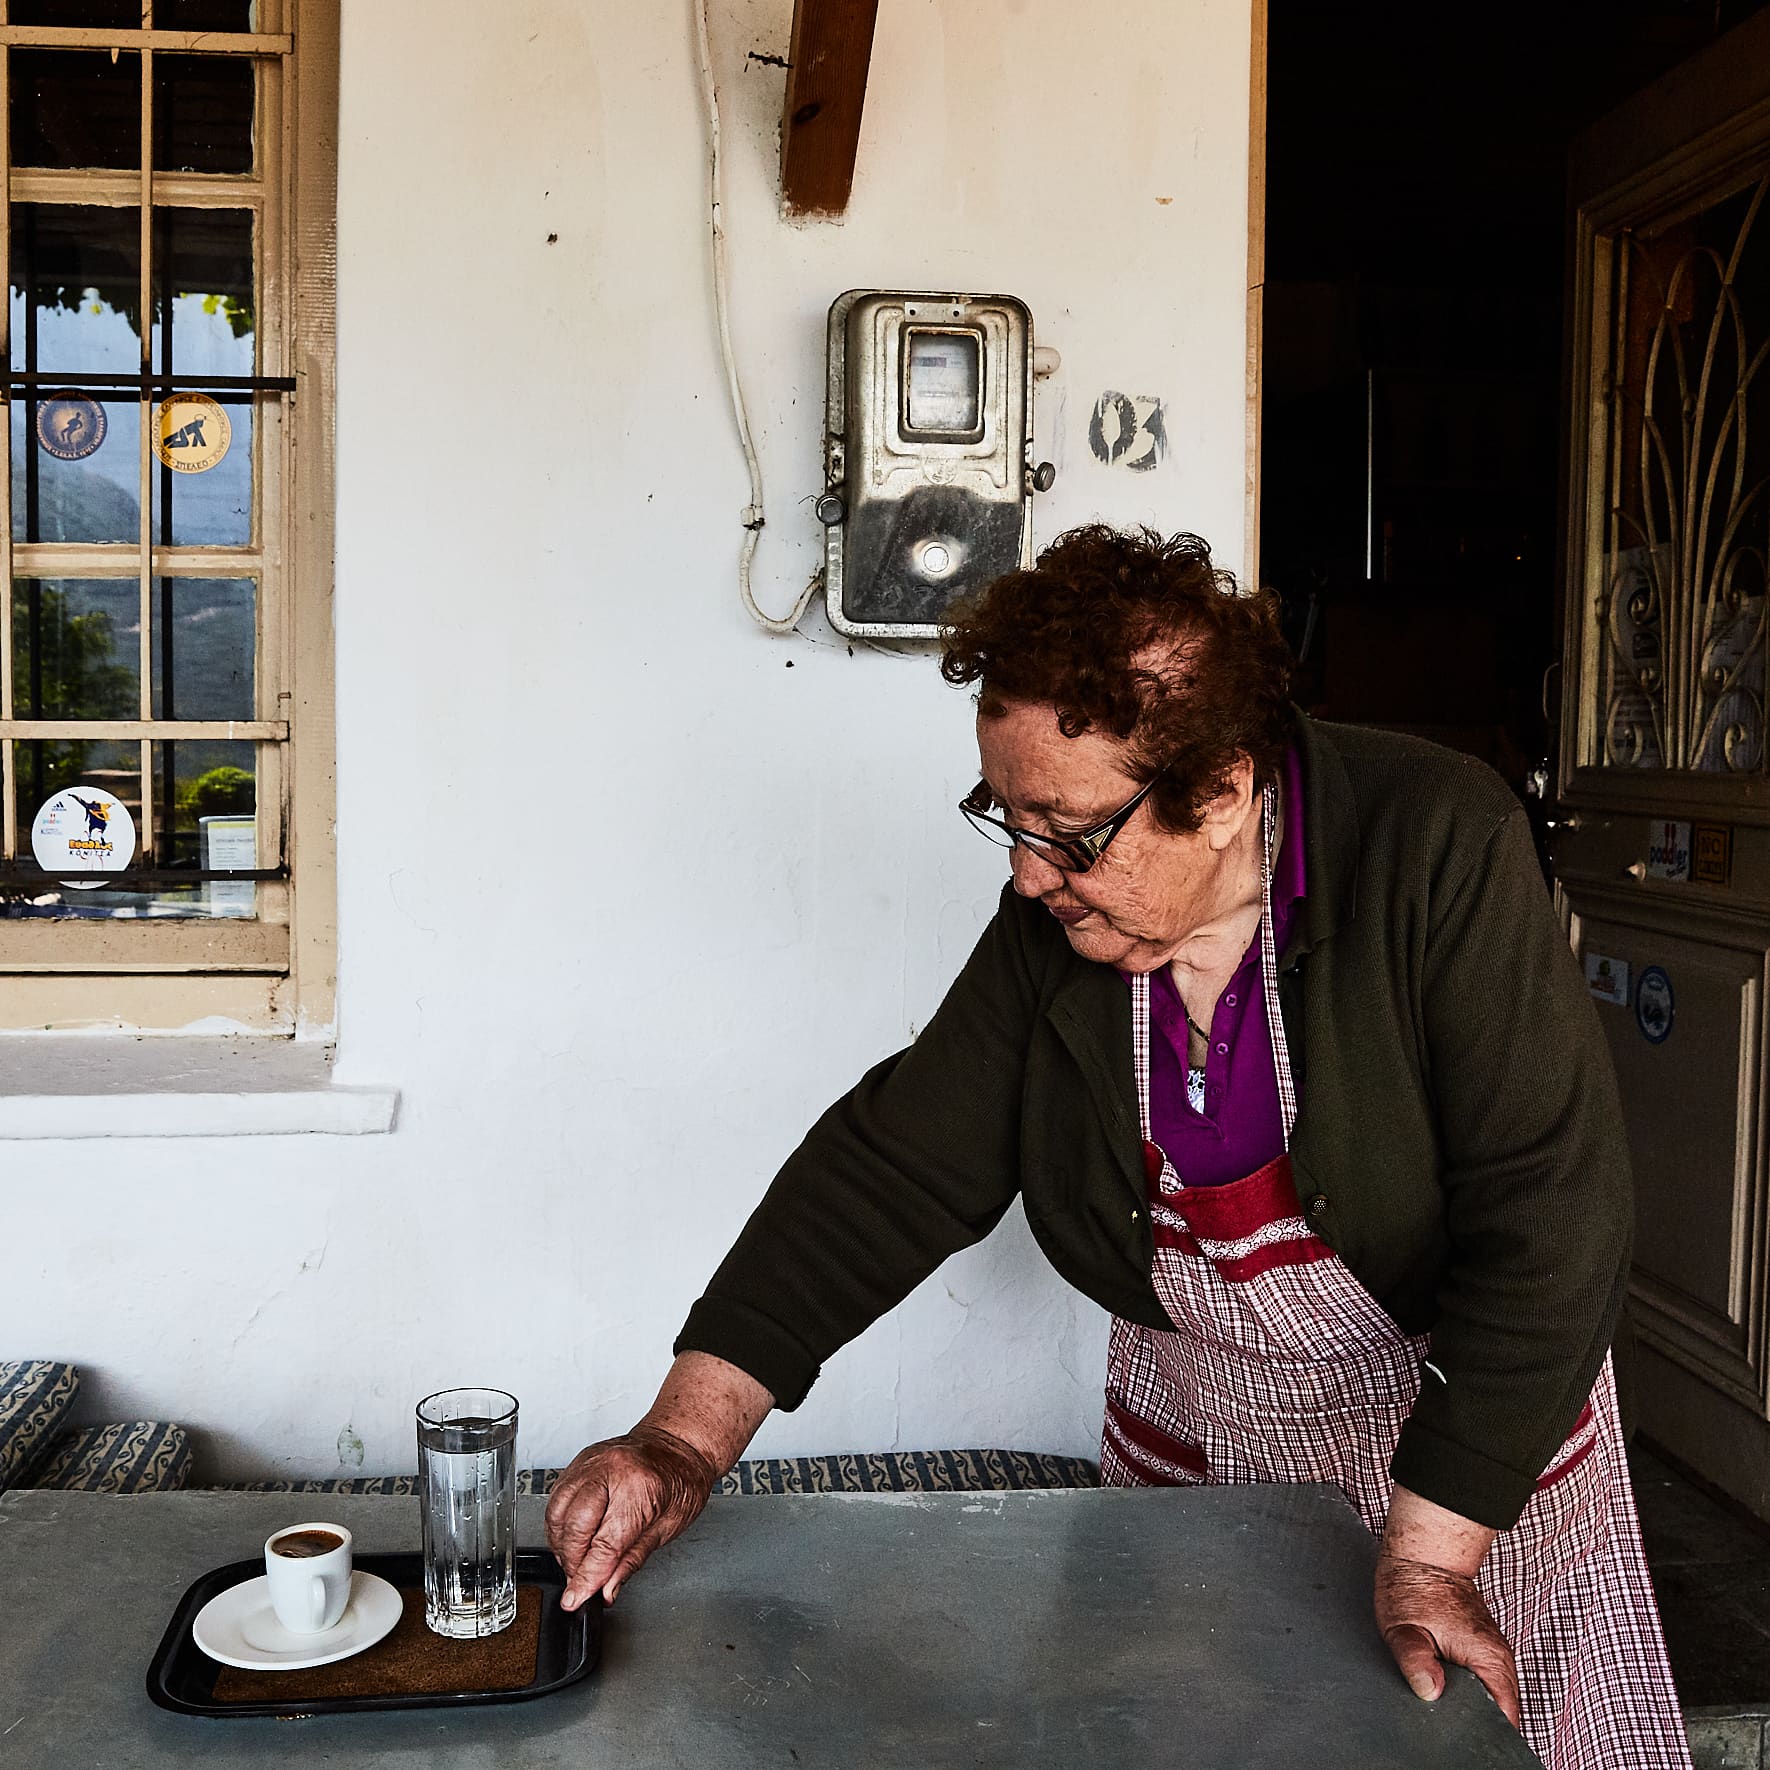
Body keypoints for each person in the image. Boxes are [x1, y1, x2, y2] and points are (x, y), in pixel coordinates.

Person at [546, 526, 1688, 1768]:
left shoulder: (1436, 842)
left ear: (1224, 790)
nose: (1032, 880)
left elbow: (1554, 1222)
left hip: (1470, 1444)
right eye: (1010, 820)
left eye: (1072, 833)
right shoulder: (1065, 929)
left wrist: (1426, 1554)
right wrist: (680, 1439)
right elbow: (894, 1167)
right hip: (1201, 1431)